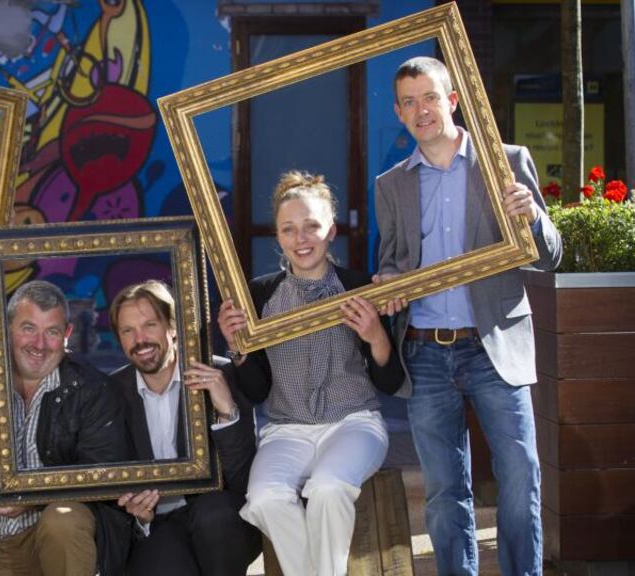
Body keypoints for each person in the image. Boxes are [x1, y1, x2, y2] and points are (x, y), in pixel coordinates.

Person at [374, 56, 562, 576]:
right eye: (409, 102)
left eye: (430, 98)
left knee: (521, 474)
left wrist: (533, 217)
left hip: (494, 344)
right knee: (443, 491)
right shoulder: (390, 185)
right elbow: (390, 262)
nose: (421, 110)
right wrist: (389, 284)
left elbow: (550, 256)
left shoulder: (506, 162)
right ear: (399, 112)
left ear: (452, 100)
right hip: (425, 351)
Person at [217, 171, 404, 576]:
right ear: (278, 236)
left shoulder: (359, 287)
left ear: (331, 231)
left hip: (354, 422)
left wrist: (375, 335)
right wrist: (238, 348)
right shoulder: (259, 295)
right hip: (286, 430)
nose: (301, 239)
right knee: (264, 498)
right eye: (289, 229)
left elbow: (389, 382)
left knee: (329, 487)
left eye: (311, 226)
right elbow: (257, 391)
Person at [0, 280, 131, 576]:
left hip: (60, 536)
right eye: (29, 328)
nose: (39, 344)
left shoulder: (94, 389)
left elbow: (102, 470)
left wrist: (33, 498)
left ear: (67, 334)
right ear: (7, 329)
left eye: (52, 332)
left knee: (62, 520)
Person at [108, 280, 260, 576]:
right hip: (156, 525)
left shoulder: (220, 375)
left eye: (150, 325)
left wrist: (226, 411)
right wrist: (137, 516)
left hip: (218, 519)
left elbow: (243, 480)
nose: (140, 339)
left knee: (216, 516)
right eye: (128, 331)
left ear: (173, 327)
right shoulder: (111, 392)